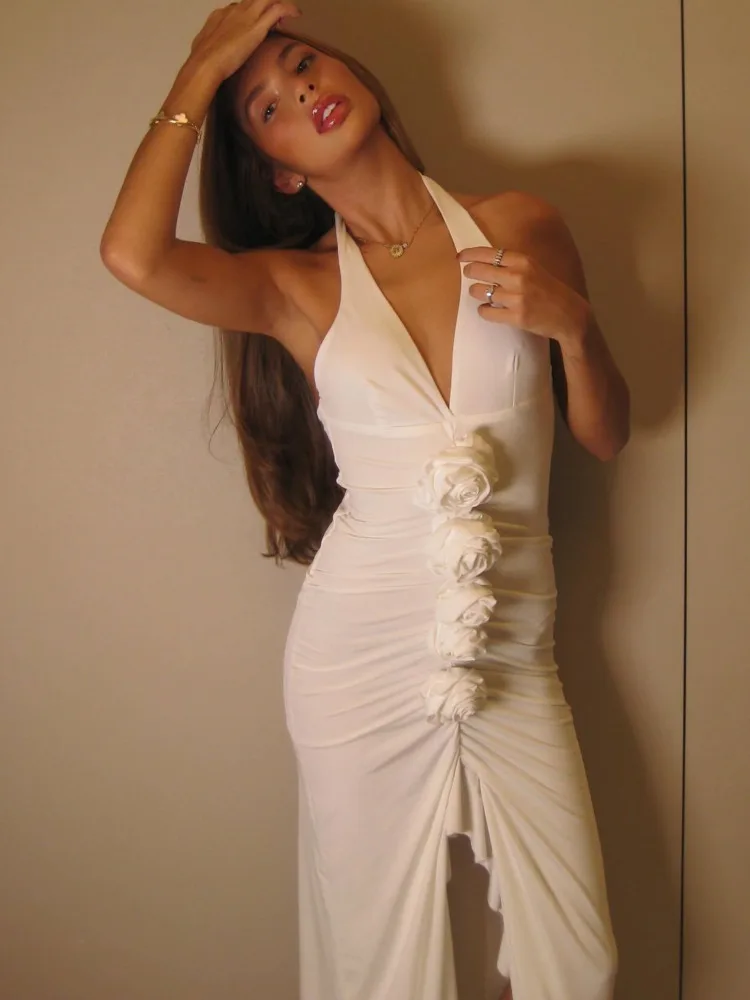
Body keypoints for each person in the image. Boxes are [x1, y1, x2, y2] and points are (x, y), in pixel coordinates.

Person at [100, 3, 631, 998]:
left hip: (515, 649)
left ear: (356, 79)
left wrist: (576, 330)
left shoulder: (521, 224)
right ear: (280, 173)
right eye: (266, 106)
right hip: (358, 657)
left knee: (579, 964)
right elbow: (133, 256)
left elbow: (604, 435)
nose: (298, 88)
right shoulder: (295, 288)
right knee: (382, 972)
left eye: (302, 63)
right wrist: (201, 69)